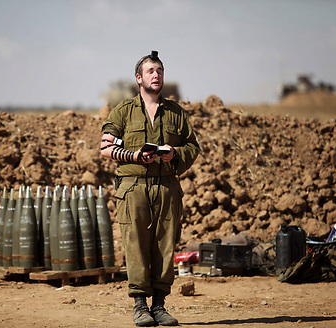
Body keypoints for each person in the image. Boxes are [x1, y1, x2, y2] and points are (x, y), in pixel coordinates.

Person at [100, 50, 200, 326]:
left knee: (165, 245)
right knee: (136, 246)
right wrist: (133, 156)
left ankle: (159, 306)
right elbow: (105, 147)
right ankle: (140, 306)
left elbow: (193, 147)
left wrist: (175, 153)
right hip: (133, 188)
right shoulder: (123, 111)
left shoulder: (176, 113)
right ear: (138, 78)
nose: (156, 76)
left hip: (167, 187)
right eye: (150, 72)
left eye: (160, 71)